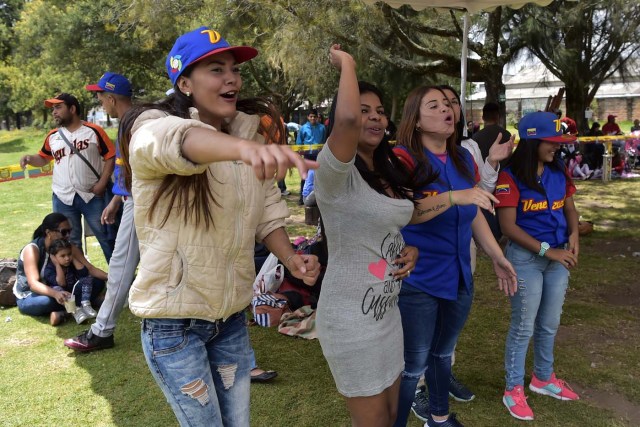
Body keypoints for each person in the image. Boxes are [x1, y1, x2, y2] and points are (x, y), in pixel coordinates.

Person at [119, 27, 320, 427]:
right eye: (216, 69)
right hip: (174, 325)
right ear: (185, 83)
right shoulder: (153, 125)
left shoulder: (247, 131)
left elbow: (266, 210)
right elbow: (174, 140)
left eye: (234, 69)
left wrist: (292, 258)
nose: (231, 78)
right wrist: (246, 150)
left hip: (229, 320)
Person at [392, 86, 518, 427]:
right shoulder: (403, 158)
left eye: (449, 104)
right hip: (418, 278)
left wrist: (496, 255)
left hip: (461, 274)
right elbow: (405, 213)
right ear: (415, 121)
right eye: (434, 106)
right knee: (414, 364)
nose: (447, 109)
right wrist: (452, 197)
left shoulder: (463, 157)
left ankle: (439, 417)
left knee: (442, 354)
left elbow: (475, 211)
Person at [315, 45, 421, 427]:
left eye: (379, 111)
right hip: (349, 319)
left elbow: (387, 228)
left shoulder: (387, 169)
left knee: (394, 417)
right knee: (374, 422)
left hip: (386, 314)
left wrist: (410, 250)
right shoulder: (335, 174)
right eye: (365, 111)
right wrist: (348, 64)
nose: (374, 118)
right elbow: (344, 122)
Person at [495, 111, 581, 421]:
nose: (557, 147)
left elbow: (569, 208)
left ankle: (543, 378)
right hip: (527, 260)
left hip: (557, 258)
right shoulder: (510, 176)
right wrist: (548, 251)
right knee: (523, 326)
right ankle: (513, 388)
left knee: (549, 323)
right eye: (552, 142)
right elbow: (508, 227)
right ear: (532, 141)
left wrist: (574, 235)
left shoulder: (558, 171)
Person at [64, 72, 136, 352]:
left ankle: (102, 331)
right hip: (135, 199)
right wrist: (116, 201)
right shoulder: (130, 122)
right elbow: (126, 169)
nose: (98, 101)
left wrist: (122, 200)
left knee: (120, 264)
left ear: (111, 98)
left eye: (99, 96)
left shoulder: (133, 124)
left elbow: (132, 172)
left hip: (142, 203)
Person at [20, 93, 116, 263]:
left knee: (107, 238)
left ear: (72, 109)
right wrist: (29, 158)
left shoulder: (94, 131)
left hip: (92, 196)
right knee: (68, 243)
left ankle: (121, 281)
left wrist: (102, 182)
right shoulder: (53, 136)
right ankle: (79, 283)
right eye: (52, 109)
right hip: (63, 197)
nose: (54, 112)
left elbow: (110, 156)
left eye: (58, 107)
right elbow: (43, 158)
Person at [13, 213, 106, 326]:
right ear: (49, 233)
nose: (68, 235)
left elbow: (90, 268)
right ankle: (84, 303)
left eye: (69, 231)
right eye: (64, 232)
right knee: (46, 302)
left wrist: (114, 278)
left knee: (98, 282)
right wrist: (55, 294)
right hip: (33, 295)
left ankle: (71, 308)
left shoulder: (67, 246)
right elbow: (33, 284)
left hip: (63, 289)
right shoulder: (32, 250)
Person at [43, 239, 97, 324]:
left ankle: (85, 305)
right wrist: (57, 265)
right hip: (61, 299)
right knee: (57, 288)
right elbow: (61, 283)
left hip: (74, 293)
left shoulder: (71, 264)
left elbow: (83, 273)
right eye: (63, 256)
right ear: (54, 257)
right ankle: (75, 311)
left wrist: (74, 259)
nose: (67, 258)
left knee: (88, 278)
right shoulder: (49, 269)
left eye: (69, 254)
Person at [296, 108, 326, 204]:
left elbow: (324, 141)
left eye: (315, 116)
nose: (313, 118)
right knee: (305, 176)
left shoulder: (322, 128)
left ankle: (318, 198)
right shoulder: (303, 128)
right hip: (307, 155)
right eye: (311, 116)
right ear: (308, 117)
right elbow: (299, 142)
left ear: (317, 117)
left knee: (319, 176)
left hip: (319, 155)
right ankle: (302, 197)